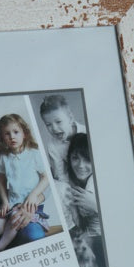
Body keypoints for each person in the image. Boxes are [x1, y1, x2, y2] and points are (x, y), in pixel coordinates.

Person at [0, 114, 49, 251]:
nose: (12, 137)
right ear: (2, 138)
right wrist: (5, 202)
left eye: (16, 132)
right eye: (7, 134)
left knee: (17, 221)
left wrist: (34, 195)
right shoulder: (3, 158)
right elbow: (1, 182)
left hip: (31, 204)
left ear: (24, 134)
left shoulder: (34, 154)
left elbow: (46, 177)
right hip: (13, 203)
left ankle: (0, 247)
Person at [39, 94, 86, 229]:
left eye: (58, 122)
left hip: (89, 174)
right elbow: (61, 174)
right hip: (72, 180)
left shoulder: (85, 132)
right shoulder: (53, 145)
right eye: (48, 125)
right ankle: (73, 224)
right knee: (60, 188)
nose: (54, 128)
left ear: (70, 118)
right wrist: (72, 197)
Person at [67, 133, 108, 267]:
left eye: (87, 159)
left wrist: (96, 206)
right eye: (75, 158)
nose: (80, 165)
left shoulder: (97, 181)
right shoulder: (75, 185)